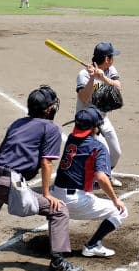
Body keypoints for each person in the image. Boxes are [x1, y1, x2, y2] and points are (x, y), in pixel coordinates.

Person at [0, 85, 82, 271]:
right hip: (8, 183)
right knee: (58, 210)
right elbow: (47, 162)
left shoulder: (17, 123)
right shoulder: (51, 128)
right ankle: (58, 262)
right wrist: (47, 194)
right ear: (49, 110)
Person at [51, 107, 128, 258]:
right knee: (121, 211)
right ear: (96, 127)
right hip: (73, 202)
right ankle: (92, 246)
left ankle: (56, 233)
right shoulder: (98, 147)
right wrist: (115, 199)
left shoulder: (71, 138)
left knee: (90, 196)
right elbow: (101, 177)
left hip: (55, 199)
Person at [76, 42, 124, 187]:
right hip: (87, 121)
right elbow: (83, 98)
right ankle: (100, 177)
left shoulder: (110, 70)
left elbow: (118, 87)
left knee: (116, 153)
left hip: (102, 117)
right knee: (103, 150)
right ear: (106, 59)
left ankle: (105, 174)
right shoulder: (83, 74)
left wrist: (102, 77)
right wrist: (92, 78)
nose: (113, 59)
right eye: (112, 56)